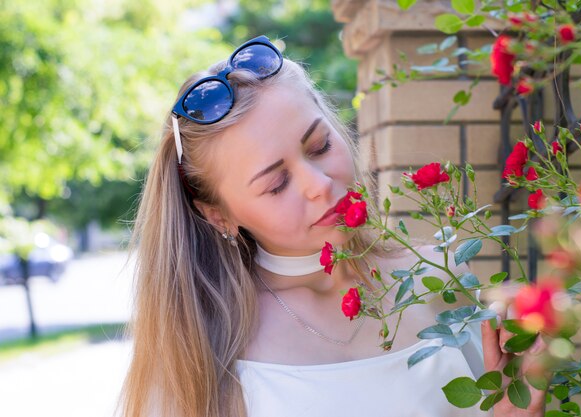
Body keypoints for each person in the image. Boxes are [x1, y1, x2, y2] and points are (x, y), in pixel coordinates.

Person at [117, 35, 547, 417]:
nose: (319, 185)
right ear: (219, 215)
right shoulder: (202, 360)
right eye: (276, 183)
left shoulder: (440, 276)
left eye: (320, 145)